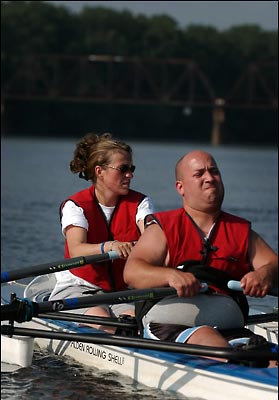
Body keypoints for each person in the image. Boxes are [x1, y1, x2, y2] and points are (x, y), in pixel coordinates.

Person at [123, 150, 278, 363]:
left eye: (214, 171)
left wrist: (264, 274)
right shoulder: (162, 228)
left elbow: (273, 263)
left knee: (271, 357)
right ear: (181, 187)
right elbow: (132, 272)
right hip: (170, 326)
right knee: (210, 339)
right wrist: (170, 276)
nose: (209, 178)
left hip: (230, 328)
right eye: (199, 174)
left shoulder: (241, 231)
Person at [49, 132, 155, 333]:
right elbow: (76, 250)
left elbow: (152, 235)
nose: (129, 175)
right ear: (100, 171)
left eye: (131, 169)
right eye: (123, 169)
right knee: (105, 323)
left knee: (137, 325)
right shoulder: (75, 206)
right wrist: (110, 246)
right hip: (80, 288)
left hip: (122, 292)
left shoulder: (141, 203)